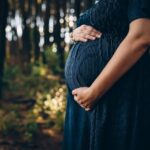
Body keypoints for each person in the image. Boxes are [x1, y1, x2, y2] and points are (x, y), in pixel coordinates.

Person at [63, 0, 150, 150]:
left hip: (115, 95)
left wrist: (94, 91)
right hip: (84, 104)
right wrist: (73, 34)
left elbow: (142, 36)